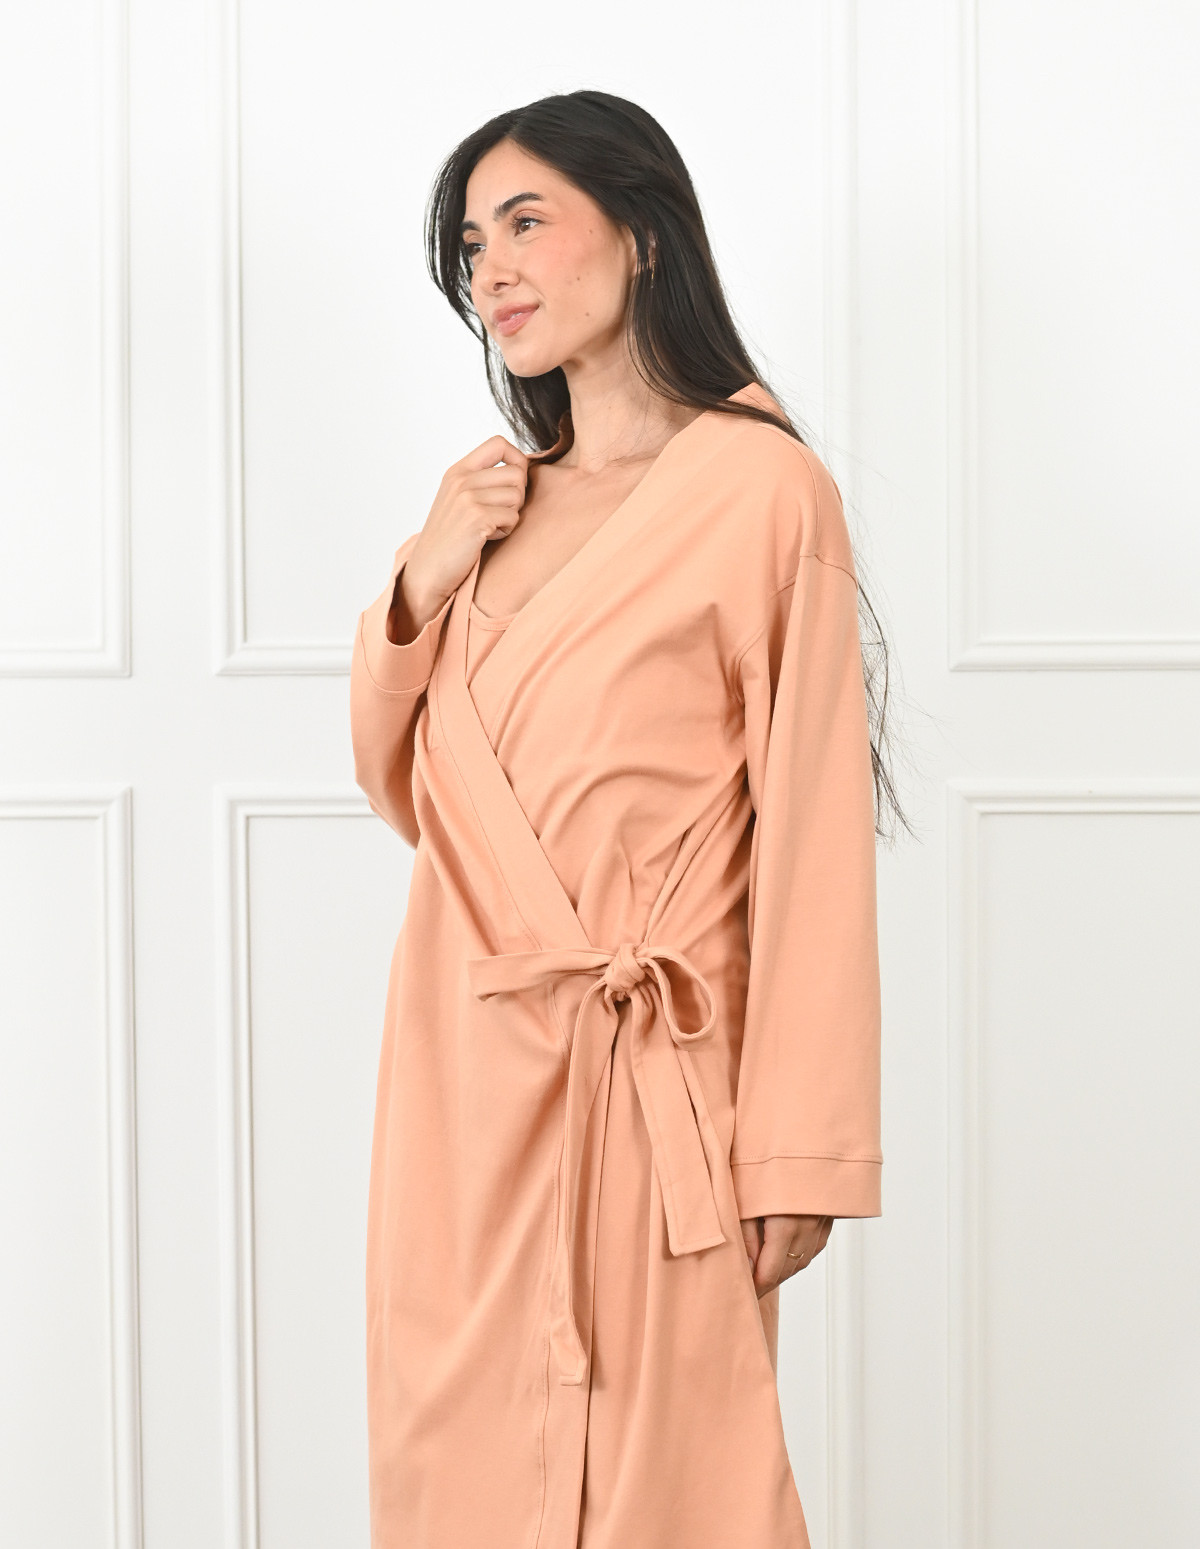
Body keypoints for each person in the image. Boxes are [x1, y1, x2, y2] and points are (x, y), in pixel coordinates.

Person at [350, 89, 905, 1549]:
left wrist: (799, 1148)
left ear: (643, 233)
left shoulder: (763, 489)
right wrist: (419, 581)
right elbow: (408, 790)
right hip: (461, 1086)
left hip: (656, 1091)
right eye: (473, 246)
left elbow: (812, 838)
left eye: (526, 221)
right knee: (455, 1472)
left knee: (672, 1491)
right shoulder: (488, 505)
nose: (494, 270)